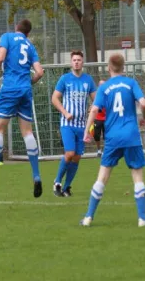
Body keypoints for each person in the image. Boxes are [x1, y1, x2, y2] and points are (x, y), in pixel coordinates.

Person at [81, 53, 145, 227]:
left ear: (108, 67)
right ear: (123, 67)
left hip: (113, 137)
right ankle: (142, 218)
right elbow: (143, 103)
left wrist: (87, 131)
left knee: (102, 177)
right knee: (137, 175)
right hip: (131, 136)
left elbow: (94, 110)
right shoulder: (131, 83)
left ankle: (88, 218)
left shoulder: (104, 88)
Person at [0, 19, 44, 197]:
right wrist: (28, 83)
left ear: (16, 28)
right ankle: (36, 175)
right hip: (25, 90)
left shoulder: (7, 37)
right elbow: (40, 72)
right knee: (27, 133)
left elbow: (0, 57)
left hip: (9, 88)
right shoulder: (30, 46)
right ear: (28, 33)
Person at [51, 50, 96, 197]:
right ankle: (57, 181)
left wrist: (93, 107)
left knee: (77, 157)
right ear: (71, 62)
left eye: (79, 60)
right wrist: (65, 112)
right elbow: (55, 99)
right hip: (67, 124)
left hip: (82, 126)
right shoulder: (65, 79)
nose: (76, 62)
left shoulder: (88, 80)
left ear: (82, 62)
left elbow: (96, 99)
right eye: (74, 60)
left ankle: (67, 187)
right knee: (69, 153)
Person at [93, 80, 106, 157]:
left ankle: (105, 151)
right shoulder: (96, 95)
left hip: (106, 118)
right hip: (98, 118)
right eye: (100, 85)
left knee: (106, 135)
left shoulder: (109, 94)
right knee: (96, 135)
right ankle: (99, 150)